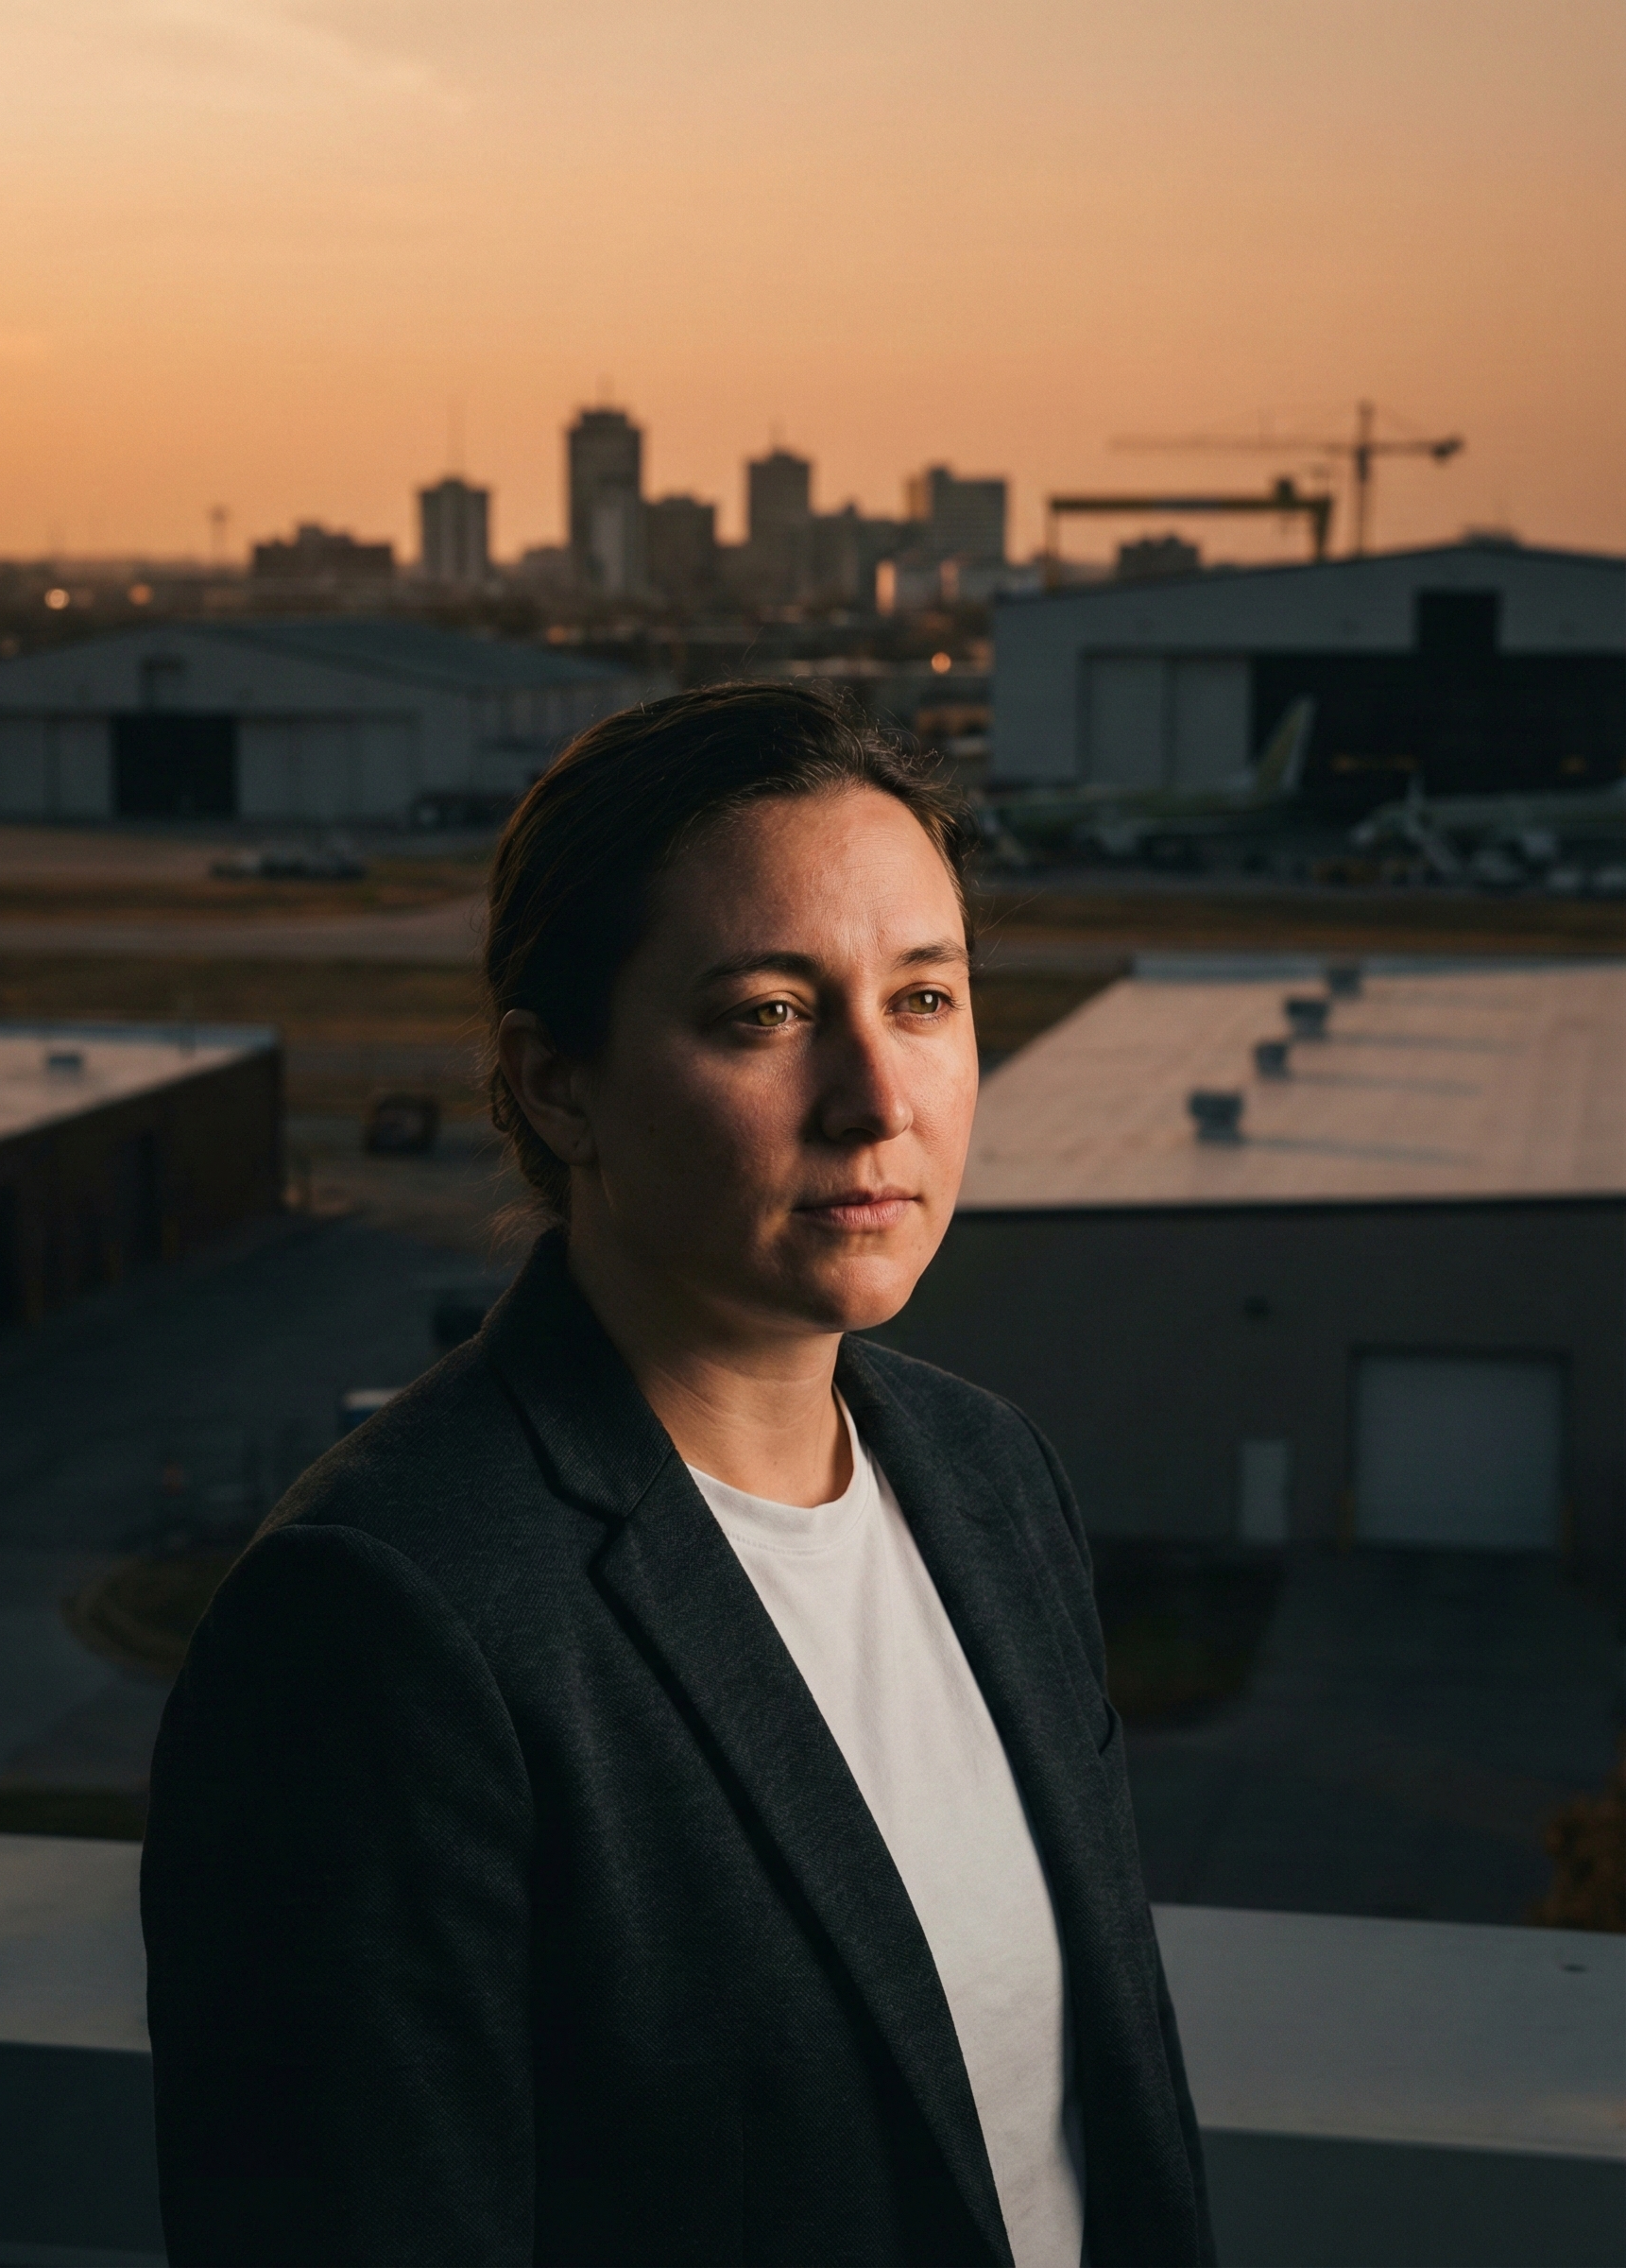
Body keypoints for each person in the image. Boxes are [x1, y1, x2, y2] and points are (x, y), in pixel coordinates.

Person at [142, 682, 1214, 2268]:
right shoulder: (384, 1623)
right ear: (556, 1083)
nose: (875, 1101)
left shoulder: (994, 1482)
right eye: (767, 1013)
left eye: (923, 999)